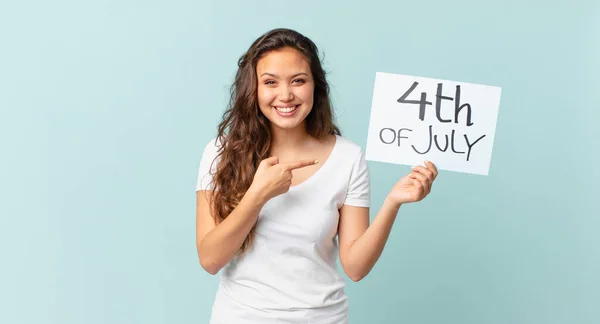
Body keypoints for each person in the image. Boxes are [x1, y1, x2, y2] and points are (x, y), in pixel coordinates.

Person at [195, 28, 438, 324]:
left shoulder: (348, 158)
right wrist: (258, 194)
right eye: (270, 82)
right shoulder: (221, 152)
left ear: (315, 86)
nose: (285, 95)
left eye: (298, 81)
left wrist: (393, 203)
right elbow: (210, 259)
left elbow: (356, 267)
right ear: (253, 89)